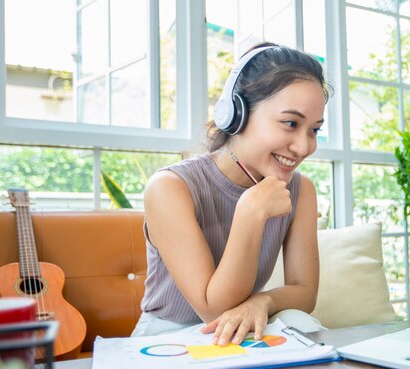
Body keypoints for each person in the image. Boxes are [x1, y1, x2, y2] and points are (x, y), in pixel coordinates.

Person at [132, 42, 332, 346]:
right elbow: (212, 310)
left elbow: (304, 291)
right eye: (290, 123)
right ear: (236, 113)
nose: (304, 147)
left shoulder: (301, 190)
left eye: (313, 130)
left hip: (242, 330)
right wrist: (250, 211)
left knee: (301, 324)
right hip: (168, 336)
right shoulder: (170, 187)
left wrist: (262, 302)